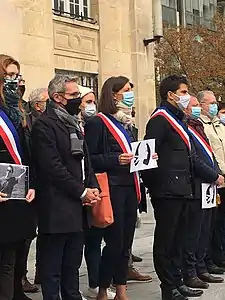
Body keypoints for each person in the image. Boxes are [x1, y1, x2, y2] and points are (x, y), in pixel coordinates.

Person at [142, 75, 223, 300]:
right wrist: (156, 186)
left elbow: (192, 157)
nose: (187, 97)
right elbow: (149, 158)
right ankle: (168, 287)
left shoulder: (178, 120)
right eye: (184, 92)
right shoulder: (160, 119)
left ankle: (178, 281)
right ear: (171, 94)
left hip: (183, 189)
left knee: (179, 241)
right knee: (167, 242)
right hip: (167, 192)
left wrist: (215, 176)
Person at [85, 76, 157, 300]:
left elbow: (133, 154)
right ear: (113, 94)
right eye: (125, 90)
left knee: (125, 244)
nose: (129, 95)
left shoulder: (125, 124)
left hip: (129, 188)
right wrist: (116, 159)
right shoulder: (98, 122)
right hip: (112, 188)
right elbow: (91, 159)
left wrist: (146, 157)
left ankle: (122, 290)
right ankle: (103, 288)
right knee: (114, 243)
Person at [31, 74, 100, 300]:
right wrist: (81, 191)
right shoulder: (45, 125)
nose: (78, 100)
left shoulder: (73, 123)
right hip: (57, 207)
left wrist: (92, 185)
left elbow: (84, 160)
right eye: (73, 95)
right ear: (57, 97)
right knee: (53, 269)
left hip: (77, 208)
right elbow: (52, 167)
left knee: (72, 265)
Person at [0, 54, 36, 300]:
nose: (14, 81)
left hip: (18, 190)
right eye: (9, 76)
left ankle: (15, 293)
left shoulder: (18, 111)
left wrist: (31, 184)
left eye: (16, 75)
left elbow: (25, 152)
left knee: (16, 249)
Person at [182, 95, 224, 289]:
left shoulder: (199, 127)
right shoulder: (187, 127)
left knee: (207, 226)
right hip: (198, 184)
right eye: (196, 105)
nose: (198, 108)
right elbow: (196, 158)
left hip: (212, 181)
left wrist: (216, 172)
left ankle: (203, 264)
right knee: (195, 229)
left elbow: (210, 154)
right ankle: (193, 268)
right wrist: (213, 174)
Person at [20, 88, 49, 293]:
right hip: (30, 181)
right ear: (38, 105)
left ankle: (41, 269)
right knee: (27, 232)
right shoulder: (29, 123)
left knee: (45, 229)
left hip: (44, 183)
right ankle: (22, 275)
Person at [198, 91, 225, 270]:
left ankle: (220, 255)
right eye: (211, 103)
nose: (214, 106)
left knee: (221, 221)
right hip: (212, 178)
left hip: (223, 177)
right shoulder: (201, 125)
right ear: (201, 105)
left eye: (215, 102)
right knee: (211, 222)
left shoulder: (219, 125)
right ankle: (209, 258)